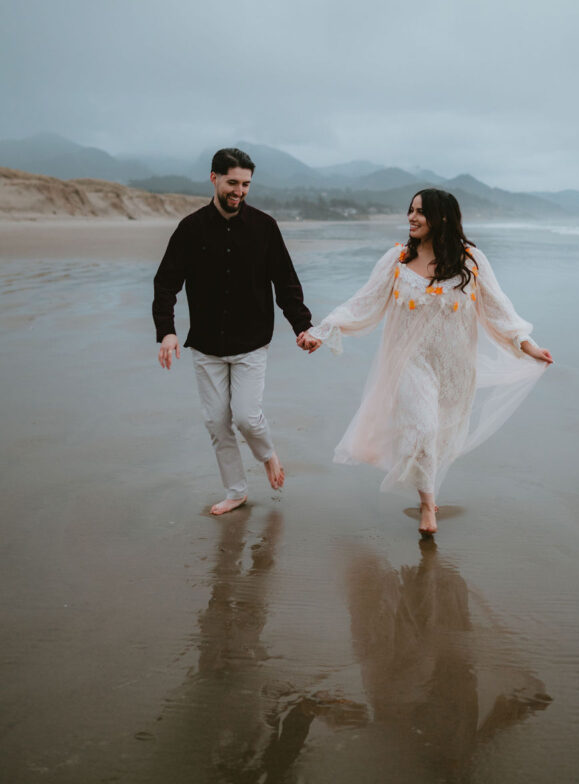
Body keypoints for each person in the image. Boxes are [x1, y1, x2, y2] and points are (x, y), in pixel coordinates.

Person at [297, 188, 552, 538]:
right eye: (411, 210)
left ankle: (427, 491)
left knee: (440, 435)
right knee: (424, 429)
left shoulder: (470, 260)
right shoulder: (398, 259)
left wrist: (528, 345)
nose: (412, 217)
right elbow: (363, 302)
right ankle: (428, 505)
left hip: (454, 366)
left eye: (420, 212)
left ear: (442, 217)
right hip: (409, 362)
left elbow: (499, 309)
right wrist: (322, 331)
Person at [153, 147, 313, 515]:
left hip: (251, 343)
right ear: (214, 178)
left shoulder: (264, 227)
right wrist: (167, 331)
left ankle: (267, 454)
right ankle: (236, 491)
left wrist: (303, 326)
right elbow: (166, 283)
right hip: (206, 345)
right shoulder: (191, 228)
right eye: (232, 183)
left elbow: (286, 283)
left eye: (246, 184)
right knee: (216, 422)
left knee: (246, 417)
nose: (239, 191)